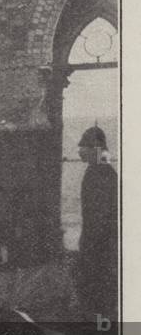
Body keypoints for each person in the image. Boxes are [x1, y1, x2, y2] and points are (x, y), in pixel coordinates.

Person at [76, 126, 118, 320]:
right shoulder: (101, 171)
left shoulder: (99, 173)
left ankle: (100, 325)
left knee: (99, 287)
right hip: (99, 242)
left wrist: (89, 243)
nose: (79, 150)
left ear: (97, 148)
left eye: (84, 146)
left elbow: (100, 217)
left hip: (100, 244)